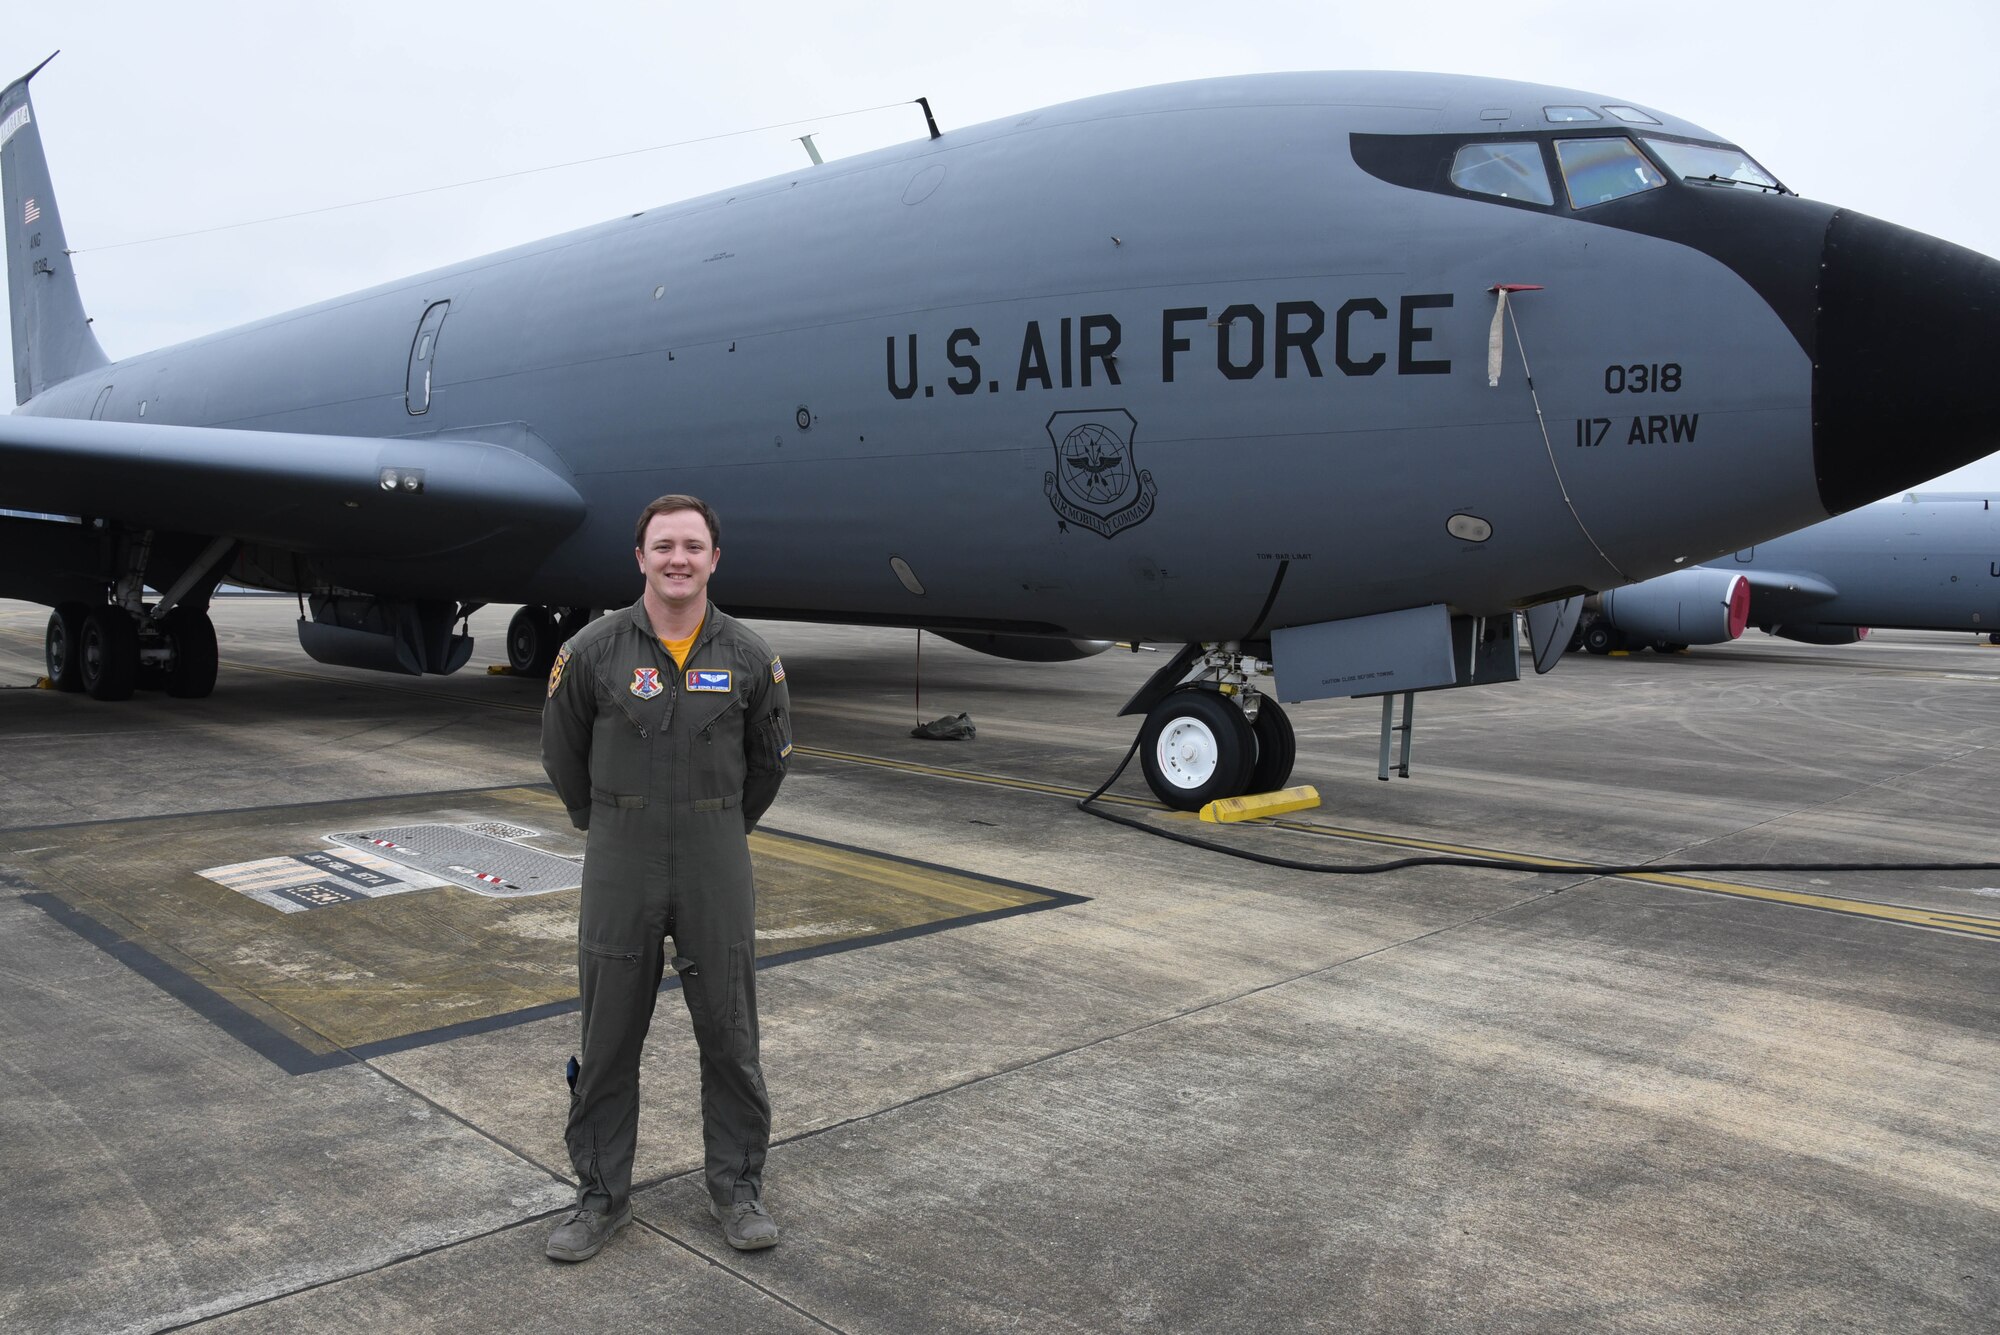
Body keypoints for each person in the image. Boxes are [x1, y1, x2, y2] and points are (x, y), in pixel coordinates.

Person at [540, 494, 792, 1260]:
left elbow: (768, 763)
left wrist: (717, 824)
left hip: (717, 852)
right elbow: (561, 753)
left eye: (692, 545)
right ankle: (600, 1196)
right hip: (621, 850)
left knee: (730, 1033)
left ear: (715, 558)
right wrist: (613, 819)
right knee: (609, 1034)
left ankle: (738, 1191)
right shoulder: (591, 651)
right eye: (662, 545)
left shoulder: (750, 658)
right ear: (640, 558)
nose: (677, 558)